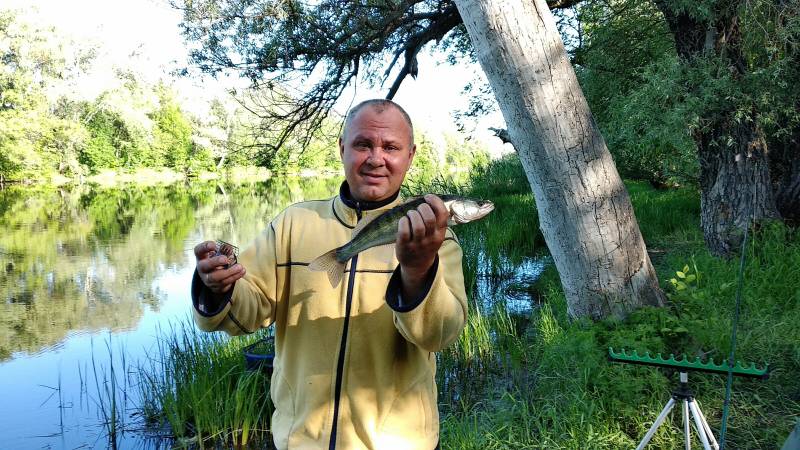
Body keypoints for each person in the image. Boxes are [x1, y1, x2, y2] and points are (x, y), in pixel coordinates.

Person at [191, 99, 467, 449]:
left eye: (391, 147)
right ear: (341, 148)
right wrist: (218, 286)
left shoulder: (435, 238)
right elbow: (244, 315)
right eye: (362, 144)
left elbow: (441, 335)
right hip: (300, 441)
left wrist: (418, 270)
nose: (375, 158)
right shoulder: (294, 225)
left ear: (410, 156)